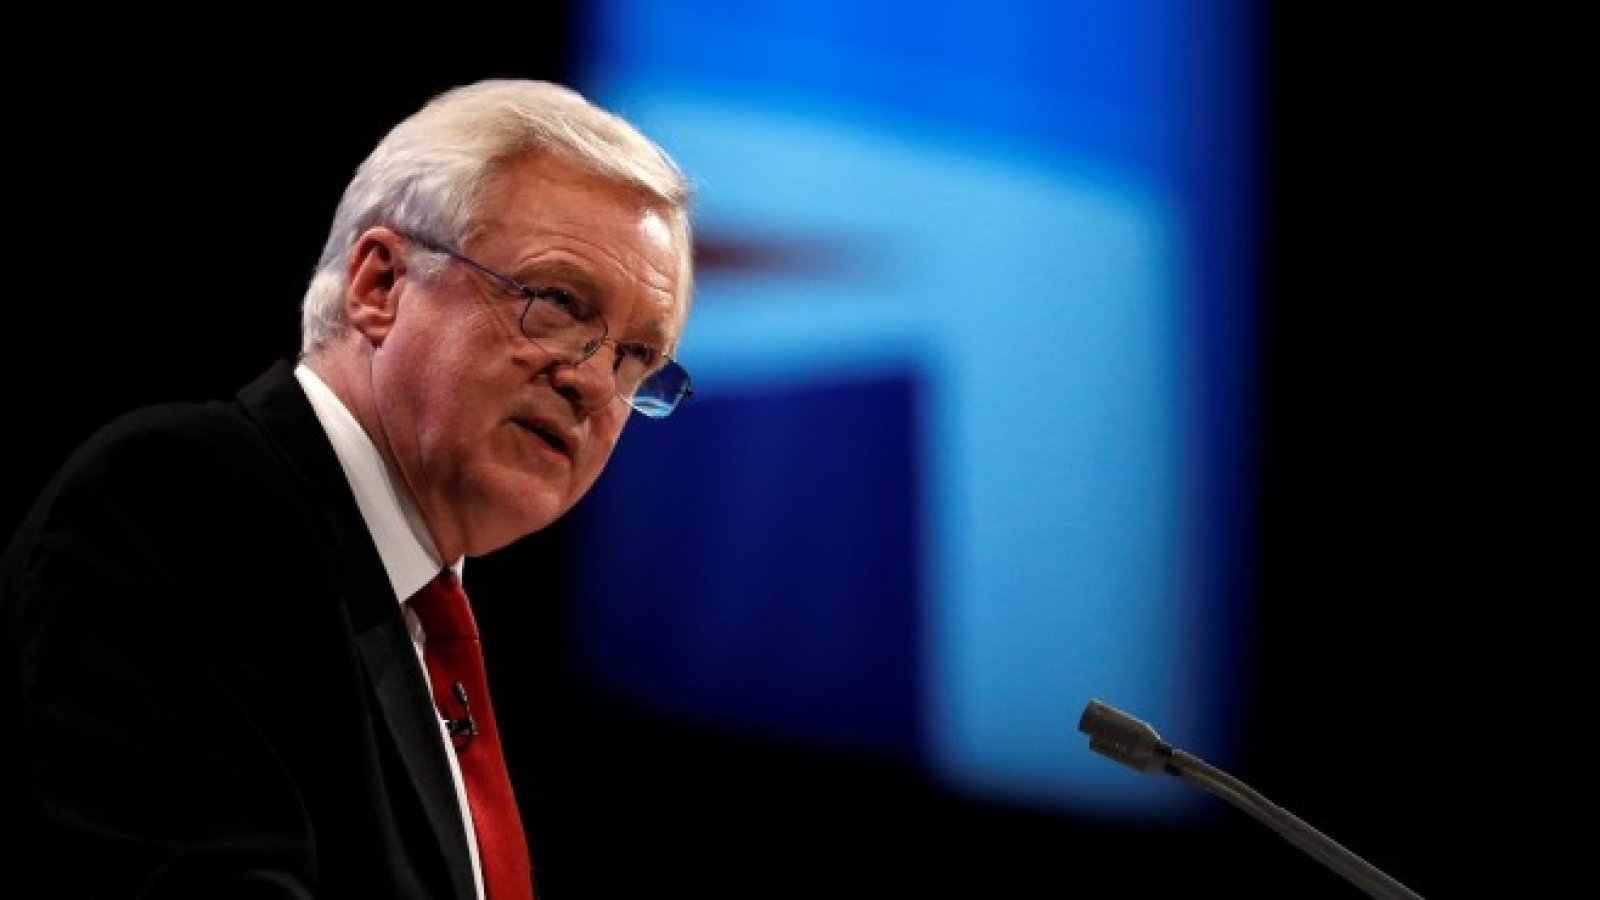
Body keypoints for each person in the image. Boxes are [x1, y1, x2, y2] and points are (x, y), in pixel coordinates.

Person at [0, 78, 695, 899]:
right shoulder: (183, 498)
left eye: (635, 358)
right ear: (380, 286)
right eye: (558, 302)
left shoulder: (419, 618)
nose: (592, 383)